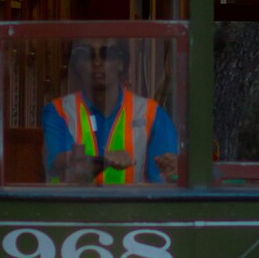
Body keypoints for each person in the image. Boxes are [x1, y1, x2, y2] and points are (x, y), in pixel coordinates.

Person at [43, 38, 178, 184]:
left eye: (107, 53)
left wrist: (172, 171)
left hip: (130, 206)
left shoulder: (151, 114)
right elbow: (63, 167)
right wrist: (104, 161)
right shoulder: (58, 111)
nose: (97, 63)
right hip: (74, 206)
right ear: (77, 64)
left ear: (121, 63)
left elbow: (163, 182)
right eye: (87, 54)